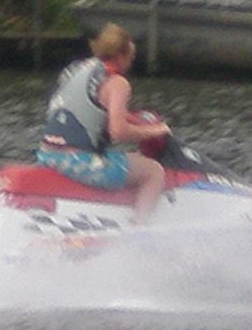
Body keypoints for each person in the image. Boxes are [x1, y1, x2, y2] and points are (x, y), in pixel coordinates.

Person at [37, 23, 167, 221]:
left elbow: (88, 106)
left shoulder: (77, 69)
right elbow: (118, 131)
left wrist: (135, 119)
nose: (130, 63)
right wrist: (156, 131)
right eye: (130, 57)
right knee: (153, 171)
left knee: (129, 158)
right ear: (121, 55)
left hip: (47, 154)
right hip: (77, 161)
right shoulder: (117, 83)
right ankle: (142, 231)